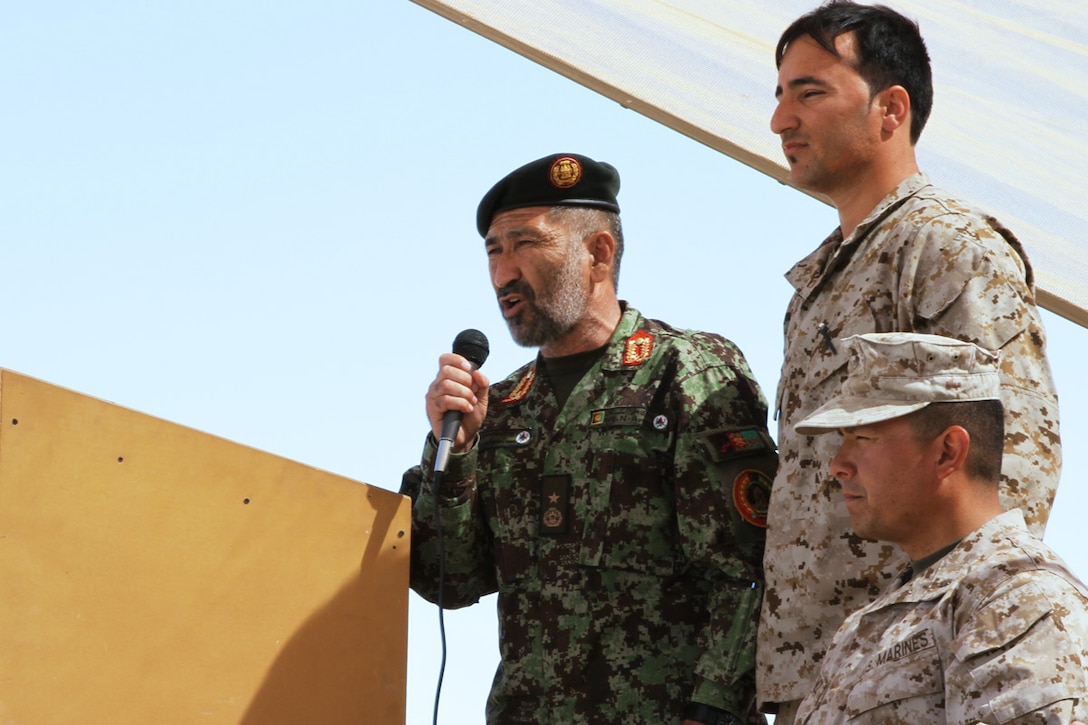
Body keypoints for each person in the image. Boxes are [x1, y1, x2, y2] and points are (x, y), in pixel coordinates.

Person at [758, 2, 1062, 720]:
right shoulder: (821, 280)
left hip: (915, 675)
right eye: (779, 95)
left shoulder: (947, 248)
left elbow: (1010, 460)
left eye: (810, 92)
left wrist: (946, 645)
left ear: (891, 108)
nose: (780, 121)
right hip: (827, 678)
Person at [400, 153, 777, 725]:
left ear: (598, 253)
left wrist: (713, 709)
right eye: (493, 250)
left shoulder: (685, 372)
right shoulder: (498, 408)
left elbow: (748, 568)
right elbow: (446, 578)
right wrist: (455, 452)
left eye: (525, 243)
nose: (504, 272)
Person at [789, 331, 1088, 723]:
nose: (838, 465)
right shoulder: (872, 622)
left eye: (862, 437)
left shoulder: (1018, 599)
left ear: (948, 451)